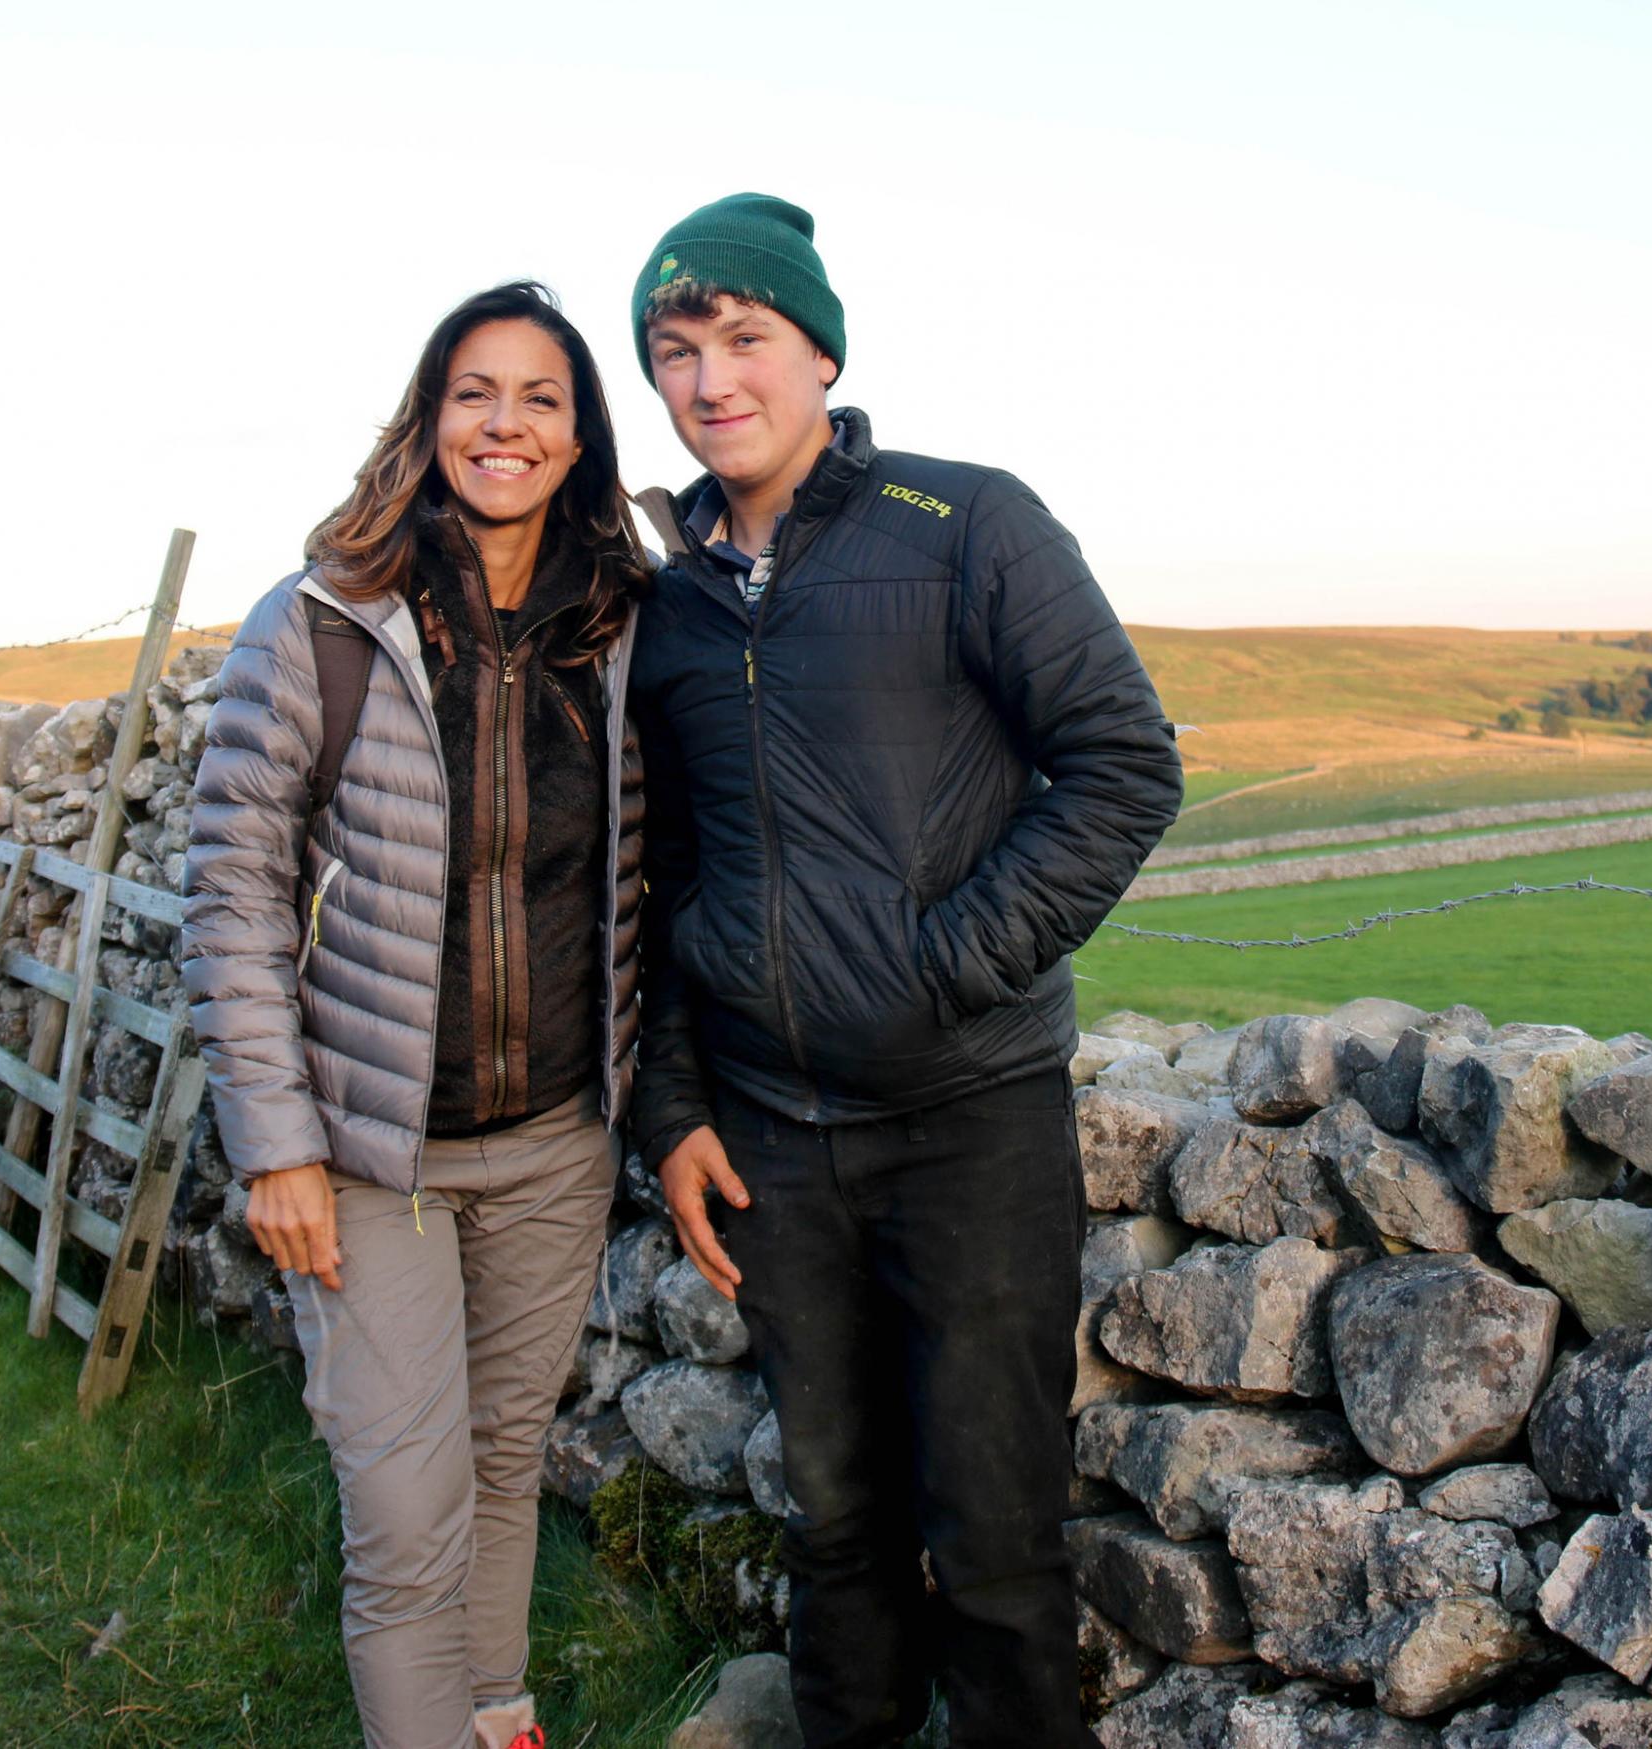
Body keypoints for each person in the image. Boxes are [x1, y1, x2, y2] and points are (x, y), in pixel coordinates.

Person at [623, 194, 1185, 1749]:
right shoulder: (663, 611)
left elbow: (1124, 765)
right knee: (837, 1531)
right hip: (776, 1142)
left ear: (820, 350)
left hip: (970, 1120)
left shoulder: (969, 525)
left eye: (745, 338)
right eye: (676, 352)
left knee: (997, 1543)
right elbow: (670, 882)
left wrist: (947, 966)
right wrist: (672, 1103)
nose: (712, 379)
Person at [180, 281, 647, 1749]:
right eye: (475, 392)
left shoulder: (628, 630)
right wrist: (276, 1144)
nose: (504, 423)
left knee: (504, 1463)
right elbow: (233, 891)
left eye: (539, 400)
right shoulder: (323, 620)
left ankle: (495, 1718)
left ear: (579, 442)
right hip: (372, 1152)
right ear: (428, 418)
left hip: (558, 1141)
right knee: (402, 1502)